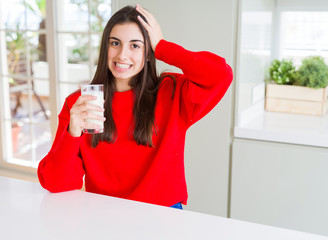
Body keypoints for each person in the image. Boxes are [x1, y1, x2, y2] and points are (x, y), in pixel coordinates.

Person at [37, 4, 233, 210]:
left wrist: (163, 46)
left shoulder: (172, 92)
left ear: (149, 53)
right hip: (104, 214)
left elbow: (221, 75)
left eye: (135, 46)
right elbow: (55, 183)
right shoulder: (81, 103)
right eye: (115, 43)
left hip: (163, 215)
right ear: (106, 47)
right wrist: (72, 132)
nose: (122, 55)